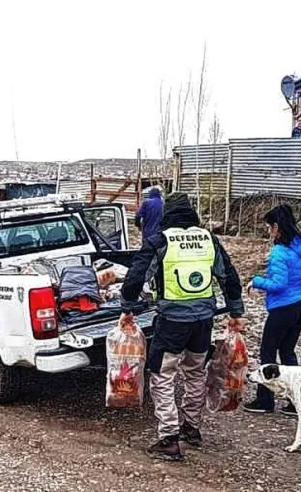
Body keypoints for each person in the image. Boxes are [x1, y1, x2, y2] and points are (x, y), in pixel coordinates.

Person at [121, 192, 245, 461]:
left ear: (167, 214)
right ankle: (191, 427)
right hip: (202, 322)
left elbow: (136, 276)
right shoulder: (209, 239)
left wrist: (127, 308)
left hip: (172, 322)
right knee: (195, 372)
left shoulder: (160, 241)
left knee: (162, 375)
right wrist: (236, 311)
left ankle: (169, 438)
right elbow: (229, 276)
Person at [244, 204, 301, 416]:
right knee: (287, 352)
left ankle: (264, 400)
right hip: (300, 306)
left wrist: (256, 281)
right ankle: (296, 401)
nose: (268, 231)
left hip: (283, 308)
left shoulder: (279, 252)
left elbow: (278, 284)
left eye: (269, 227)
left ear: (276, 227)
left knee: (268, 352)